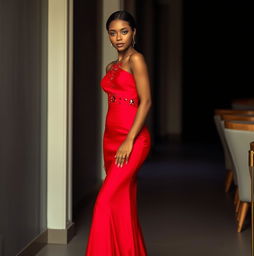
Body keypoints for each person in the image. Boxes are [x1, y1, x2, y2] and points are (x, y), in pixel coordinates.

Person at [84, 10, 152, 256]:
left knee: (103, 202)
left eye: (124, 31)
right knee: (122, 203)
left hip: (132, 141)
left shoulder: (137, 60)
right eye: (113, 33)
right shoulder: (111, 65)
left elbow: (145, 102)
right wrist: (116, 140)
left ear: (134, 32)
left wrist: (129, 140)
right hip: (110, 140)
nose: (118, 38)